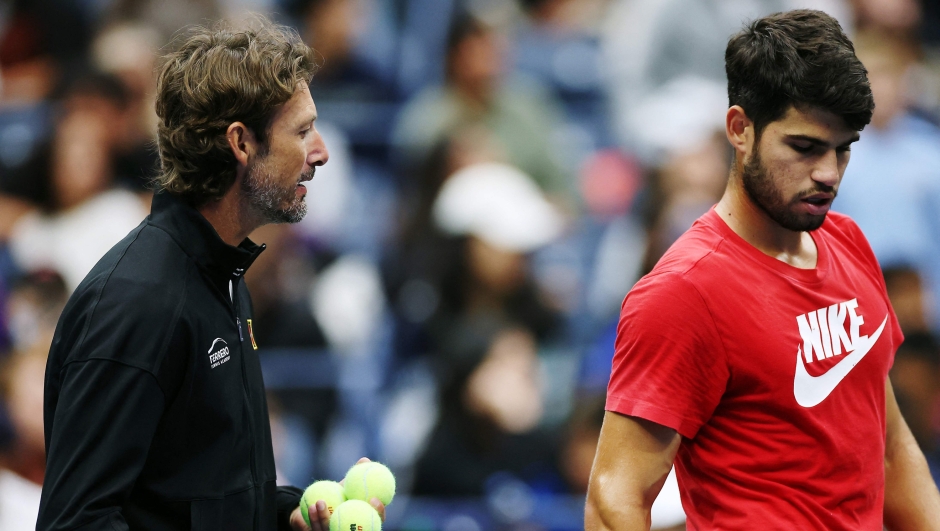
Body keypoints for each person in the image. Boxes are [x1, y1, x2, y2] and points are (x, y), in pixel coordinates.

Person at [585, 9, 940, 530]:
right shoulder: (683, 291)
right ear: (740, 130)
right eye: (804, 147)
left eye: (842, 150)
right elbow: (614, 498)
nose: (828, 173)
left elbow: (889, 448)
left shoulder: (849, 242)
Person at [37, 19, 384, 531]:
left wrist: (290, 516)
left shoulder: (223, 276)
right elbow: (76, 523)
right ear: (241, 143)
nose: (321, 152)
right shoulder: (136, 304)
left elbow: (201, 498)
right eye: (302, 130)